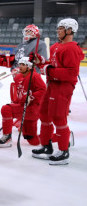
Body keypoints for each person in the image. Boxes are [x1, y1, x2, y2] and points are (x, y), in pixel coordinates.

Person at [30, 18, 84, 165]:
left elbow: (71, 73)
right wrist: (42, 62)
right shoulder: (55, 47)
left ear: (69, 30)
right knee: (44, 114)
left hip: (63, 86)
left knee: (59, 117)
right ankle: (47, 146)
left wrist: (50, 70)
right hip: (52, 84)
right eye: (58, 28)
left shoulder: (72, 48)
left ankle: (63, 150)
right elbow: (52, 65)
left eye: (61, 28)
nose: (58, 31)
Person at [0, 57, 46, 148]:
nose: (20, 67)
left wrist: (31, 97)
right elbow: (18, 80)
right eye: (20, 64)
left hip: (31, 109)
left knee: (6, 109)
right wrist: (15, 72)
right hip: (23, 107)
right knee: (33, 140)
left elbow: (43, 90)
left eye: (23, 65)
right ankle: (62, 138)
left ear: (30, 67)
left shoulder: (35, 76)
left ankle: (7, 137)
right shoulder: (19, 76)